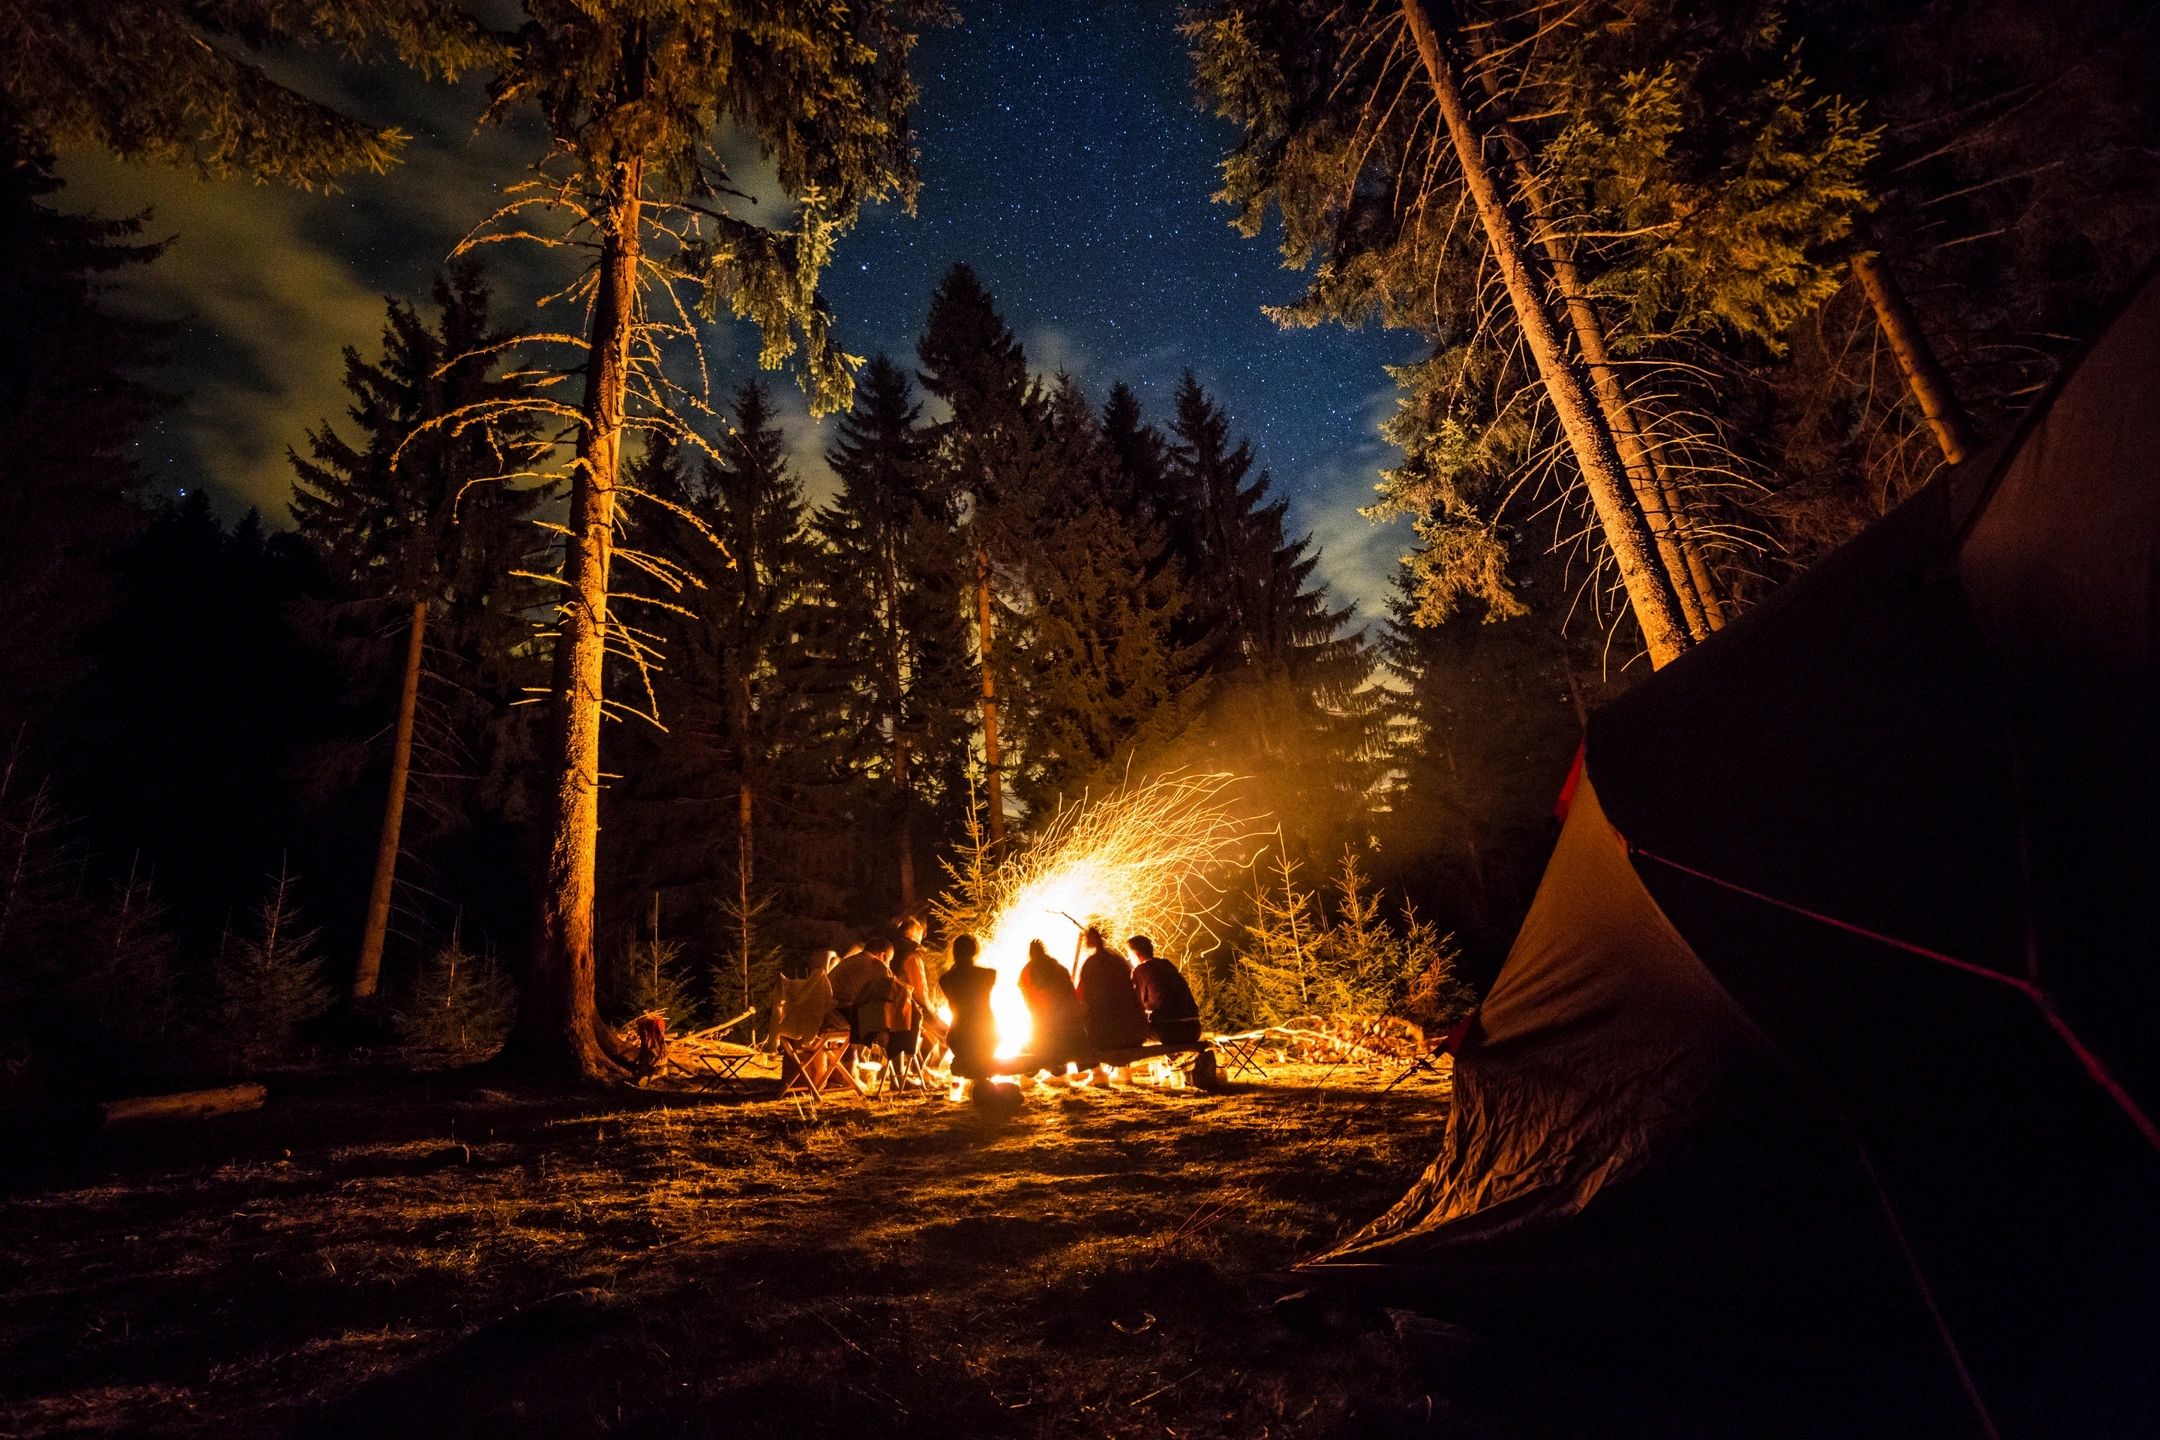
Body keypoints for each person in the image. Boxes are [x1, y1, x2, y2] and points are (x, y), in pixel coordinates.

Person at [1075, 925, 1148, 1052]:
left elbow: (1079, 998)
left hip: (1105, 1038)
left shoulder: (1090, 965)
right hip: (1134, 1035)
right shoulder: (1118, 961)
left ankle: (1096, 1070)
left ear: (1090, 941)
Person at [1018, 938, 1088, 1066]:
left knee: (1027, 1048)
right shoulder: (1060, 969)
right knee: (1078, 1040)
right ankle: (1097, 1073)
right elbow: (1072, 997)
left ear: (1030, 954)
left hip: (1045, 1034)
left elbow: (1027, 1000)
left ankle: (1027, 1077)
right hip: (1073, 1033)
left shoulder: (1027, 972)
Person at [937, 932, 998, 1081]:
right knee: (981, 1061)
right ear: (975, 951)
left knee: (973, 1064)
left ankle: (970, 1071)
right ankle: (979, 1077)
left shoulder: (945, 979)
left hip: (959, 1036)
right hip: (986, 1033)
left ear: (955, 952)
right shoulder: (989, 974)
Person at [1128, 934, 1202, 1046]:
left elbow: (1136, 1005)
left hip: (1169, 1031)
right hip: (1194, 1030)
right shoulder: (1167, 965)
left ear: (1137, 955)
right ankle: (1172, 1058)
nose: (1129, 960)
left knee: (1130, 1031)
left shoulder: (1141, 970)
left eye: (1129, 956)